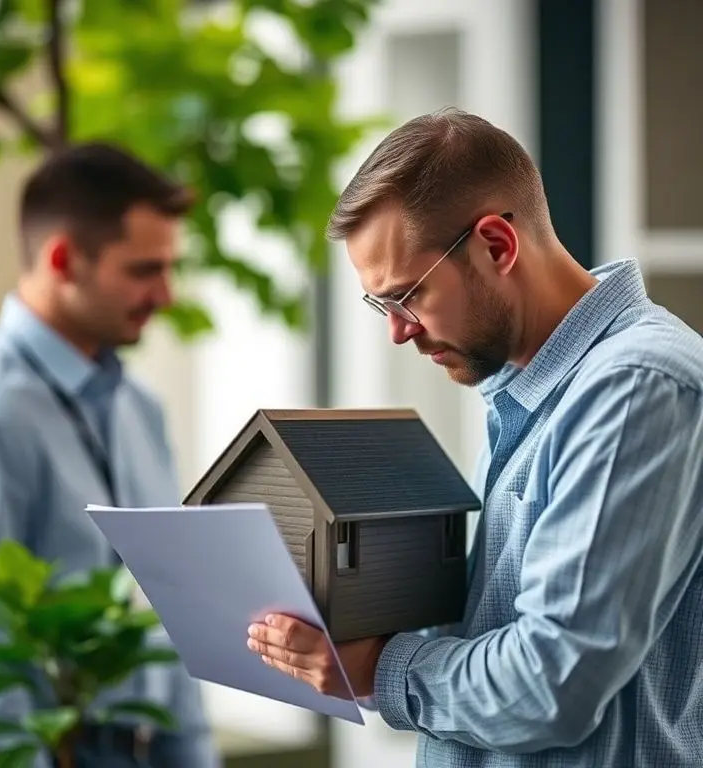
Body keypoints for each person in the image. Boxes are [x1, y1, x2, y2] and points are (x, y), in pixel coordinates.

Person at [246, 108, 703, 766]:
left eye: (407, 296)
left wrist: (381, 668)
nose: (398, 332)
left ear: (496, 245)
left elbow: (553, 684)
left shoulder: (632, 390)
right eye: (382, 306)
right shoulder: (527, 390)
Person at [0, 143, 220, 768]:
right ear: (63, 259)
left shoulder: (140, 409)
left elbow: (173, 616)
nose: (166, 295)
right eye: (144, 270)